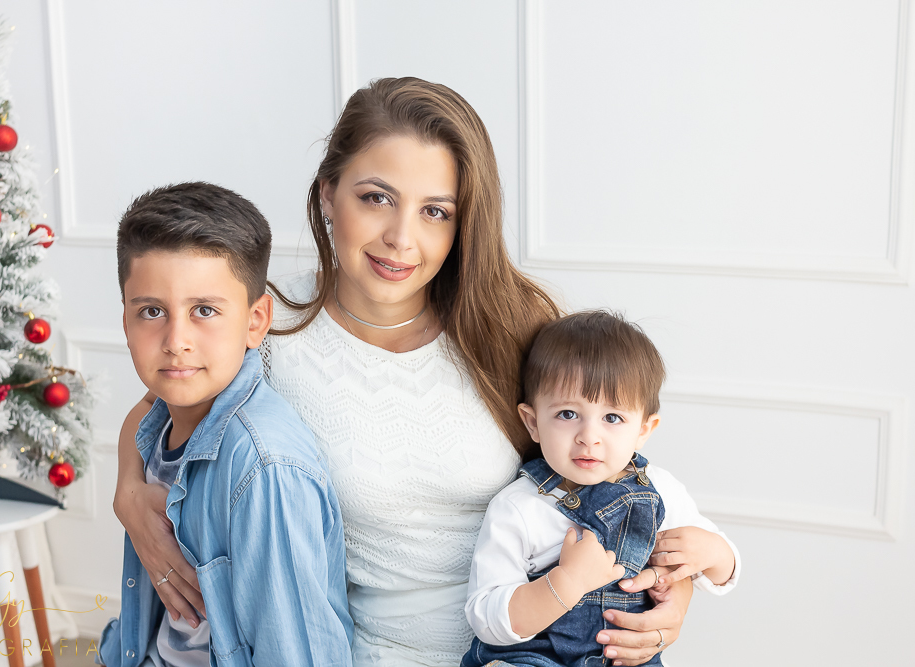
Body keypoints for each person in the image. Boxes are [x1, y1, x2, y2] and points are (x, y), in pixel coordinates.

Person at [113, 78, 721, 667]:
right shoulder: (271, 326)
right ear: (328, 193)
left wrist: (672, 594)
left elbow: (613, 457)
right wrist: (127, 491)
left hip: (553, 644)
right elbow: (160, 400)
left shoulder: (510, 322)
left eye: (436, 211)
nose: (402, 238)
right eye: (376, 198)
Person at [96, 182, 353, 667]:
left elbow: (294, 654)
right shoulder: (162, 422)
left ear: (256, 322)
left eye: (205, 311)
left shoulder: (263, 470)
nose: (176, 341)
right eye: (152, 311)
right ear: (125, 322)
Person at [461, 311, 739, 667]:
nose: (588, 436)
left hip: (625, 657)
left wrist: (715, 553)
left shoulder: (660, 491)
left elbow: (723, 573)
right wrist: (564, 584)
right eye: (566, 414)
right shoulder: (519, 507)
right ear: (533, 422)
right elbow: (486, 618)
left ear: (644, 429)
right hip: (534, 657)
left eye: (612, 418)